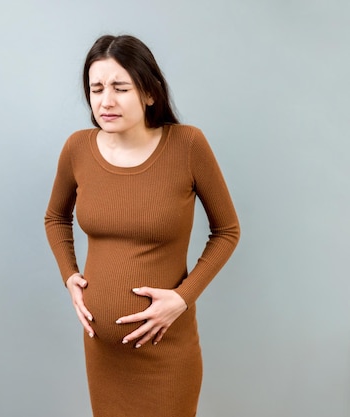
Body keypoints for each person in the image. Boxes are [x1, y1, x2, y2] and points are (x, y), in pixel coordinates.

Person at [44, 34, 240, 417]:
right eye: (96, 88)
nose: (106, 101)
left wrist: (182, 299)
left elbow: (227, 231)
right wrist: (70, 276)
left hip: (166, 352)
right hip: (103, 355)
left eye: (120, 87)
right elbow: (56, 218)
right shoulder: (77, 149)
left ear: (149, 93)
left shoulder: (187, 145)